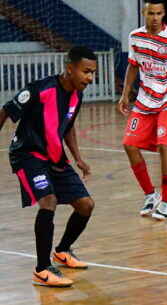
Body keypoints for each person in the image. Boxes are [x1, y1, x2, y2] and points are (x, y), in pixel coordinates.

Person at [0, 46, 99, 287]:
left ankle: (62, 251)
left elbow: (68, 125)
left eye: (93, 73)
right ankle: (42, 269)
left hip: (55, 158)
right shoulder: (39, 89)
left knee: (86, 205)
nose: (90, 77)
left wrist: (77, 157)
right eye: (86, 72)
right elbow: (5, 110)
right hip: (27, 154)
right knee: (48, 201)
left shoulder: (77, 95)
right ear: (69, 68)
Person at [118, 0, 167, 220]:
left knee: (164, 146)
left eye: (158, 13)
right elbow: (133, 65)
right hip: (144, 101)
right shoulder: (135, 37)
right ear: (144, 12)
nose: (154, 17)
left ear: (163, 14)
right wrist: (125, 95)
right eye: (151, 13)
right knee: (129, 145)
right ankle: (150, 195)